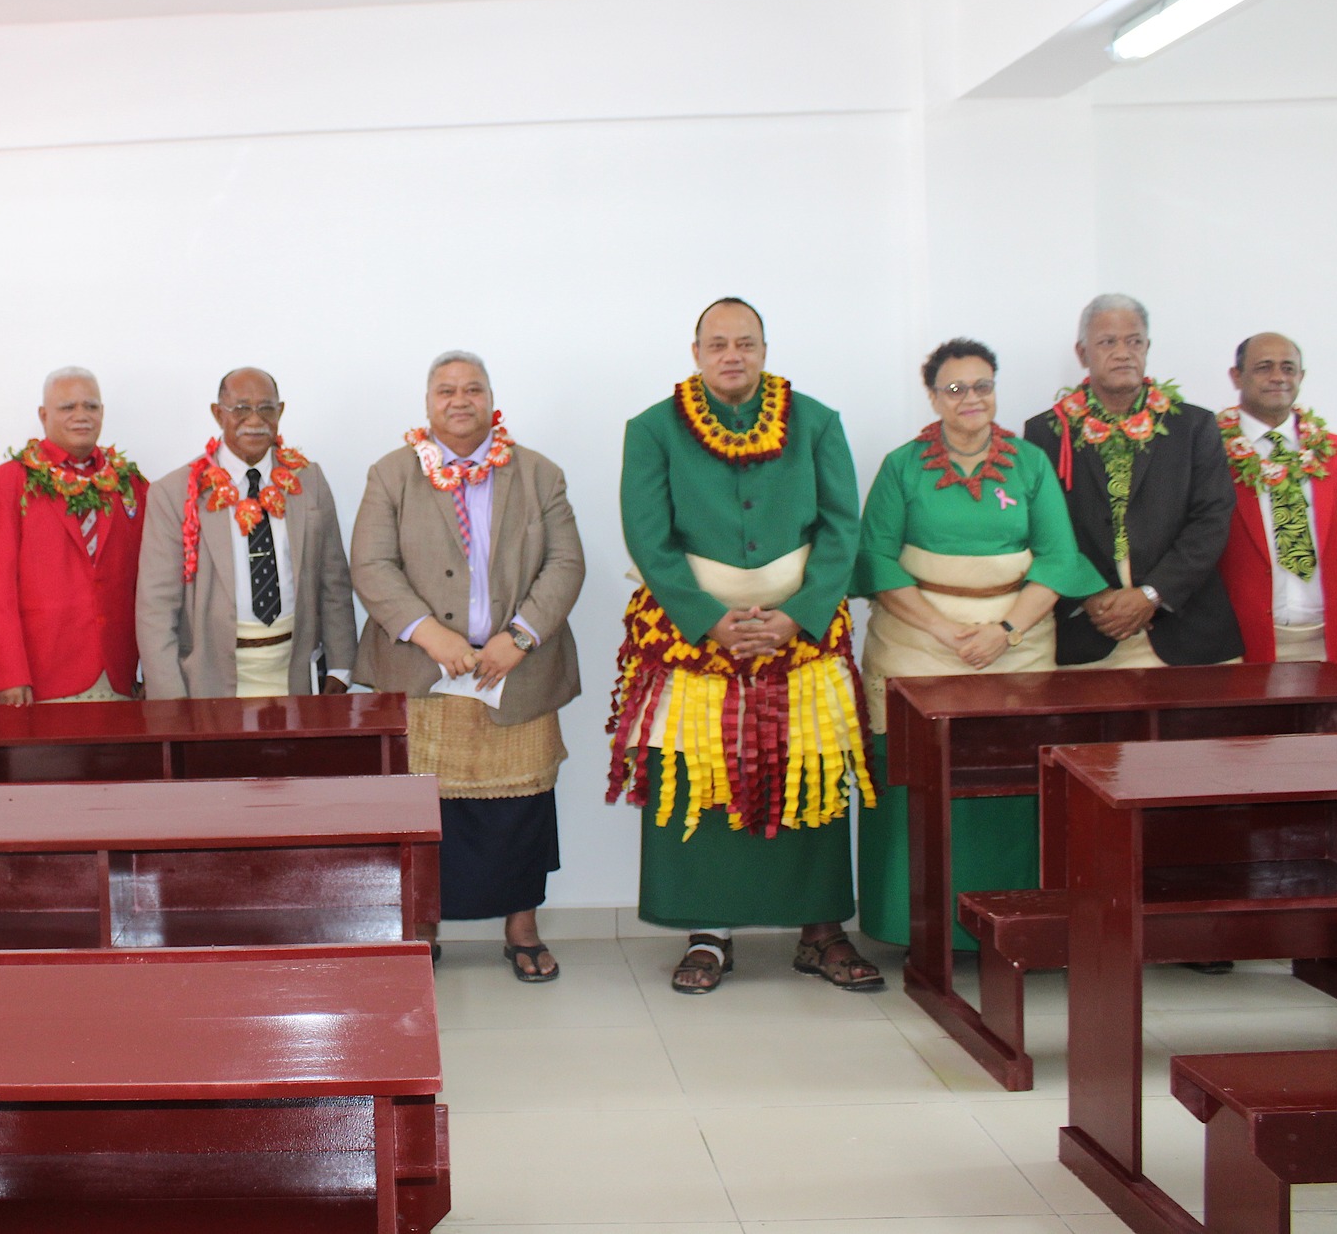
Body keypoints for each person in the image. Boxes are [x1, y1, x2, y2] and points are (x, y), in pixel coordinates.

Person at [609, 297, 877, 996]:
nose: (734, 355)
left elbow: (844, 526)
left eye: (747, 343)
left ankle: (820, 931)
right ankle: (707, 931)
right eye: (719, 343)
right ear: (696, 351)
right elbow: (648, 535)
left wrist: (802, 614)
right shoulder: (652, 428)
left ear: (764, 348)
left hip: (802, 631)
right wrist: (705, 619)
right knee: (697, 776)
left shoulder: (816, 421)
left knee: (809, 771)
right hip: (693, 633)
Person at [850, 340, 1103, 948]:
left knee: (1014, 775)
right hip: (917, 642)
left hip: (1015, 642)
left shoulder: (1030, 463)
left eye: (982, 385)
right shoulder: (902, 465)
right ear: (933, 396)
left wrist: (1005, 631)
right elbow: (876, 559)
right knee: (912, 780)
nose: (971, 398)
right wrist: (943, 630)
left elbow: (1058, 557)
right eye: (956, 388)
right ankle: (909, 925)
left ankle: (1013, 923)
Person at [352, 351, 585, 983]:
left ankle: (523, 927)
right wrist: (431, 635)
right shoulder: (392, 474)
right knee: (424, 809)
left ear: (491, 399)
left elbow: (565, 565)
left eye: (473, 389)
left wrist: (521, 636)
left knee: (524, 802)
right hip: (423, 674)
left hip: (519, 670)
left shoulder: (538, 474)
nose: (460, 400)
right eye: (446, 390)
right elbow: (371, 568)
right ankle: (423, 927)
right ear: (427, 404)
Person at [1023, 294, 1241, 669]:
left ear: (1147, 347)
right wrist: (1091, 595)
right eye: (1108, 342)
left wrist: (1152, 594)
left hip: (1187, 634)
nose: (1123, 352)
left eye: (1134, 341)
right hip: (1087, 632)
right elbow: (1042, 530)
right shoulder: (1046, 432)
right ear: (1082, 353)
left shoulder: (1194, 426)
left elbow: (1212, 519)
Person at [137, 368, 357, 698]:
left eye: (266, 408)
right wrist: (169, 699)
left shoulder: (308, 480)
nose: (254, 419)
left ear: (280, 413)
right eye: (241, 408)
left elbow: (334, 579)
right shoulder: (176, 492)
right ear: (218, 413)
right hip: (208, 678)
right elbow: (156, 607)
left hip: (293, 669)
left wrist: (341, 665)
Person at [0, 368, 149, 704]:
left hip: (120, 674)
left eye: (91, 406)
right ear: (43, 415)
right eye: (67, 407)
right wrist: (9, 676)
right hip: (41, 680)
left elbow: (151, 585)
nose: (81, 416)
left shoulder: (132, 485)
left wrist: (154, 671)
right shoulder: (5, 484)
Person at [1217, 333, 1337, 671]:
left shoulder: (1335, 450)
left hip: (1333, 641)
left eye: (1288, 368)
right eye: (1263, 368)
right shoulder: (1210, 451)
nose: (1277, 377)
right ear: (1236, 376)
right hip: (1243, 643)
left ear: (1301, 377)